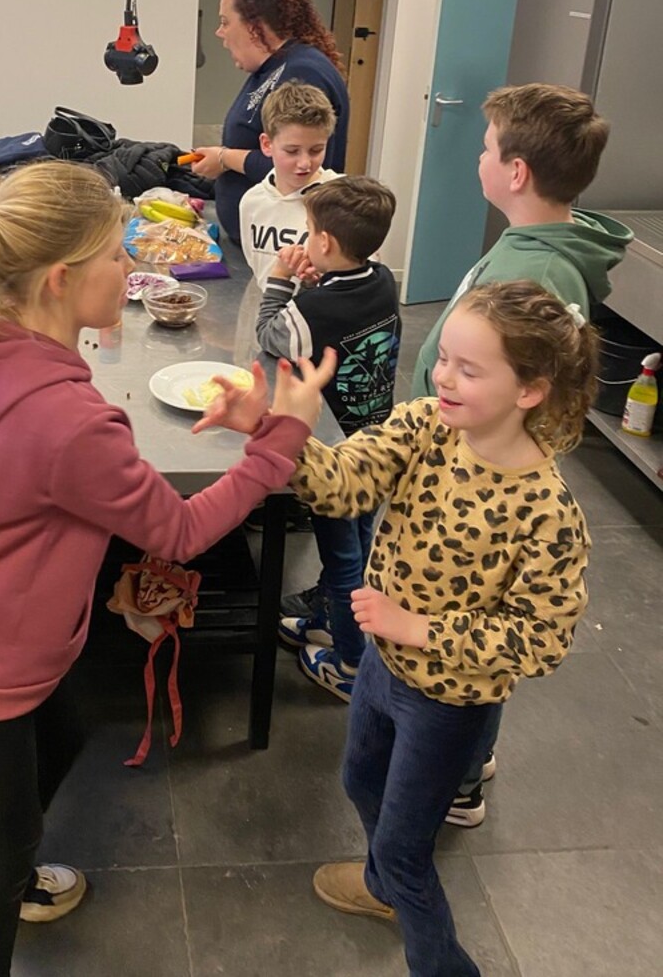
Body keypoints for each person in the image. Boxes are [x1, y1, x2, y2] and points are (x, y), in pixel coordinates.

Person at [0, 160, 332, 977]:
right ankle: (1, 886)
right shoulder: (68, 420)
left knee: (63, 735)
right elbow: (178, 530)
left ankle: (8, 869)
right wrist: (278, 439)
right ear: (59, 280)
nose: (129, 265)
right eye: (113, 253)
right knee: (5, 840)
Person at [205, 280, 598, 977]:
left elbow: (542, 638)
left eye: (468, 369)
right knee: (360, 779)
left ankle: (435, 949)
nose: (442, 376)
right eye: (443, 357)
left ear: (530, 390)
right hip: (383, 667)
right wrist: (267, 426)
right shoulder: (426, 426)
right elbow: (345, 482)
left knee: (405, 852)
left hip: (449, 700)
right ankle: (382, 885)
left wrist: (418, 627)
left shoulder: (547, 511)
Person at [412, 82, 631, 826]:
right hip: (458, 459)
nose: (477, 158)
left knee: (472, 622)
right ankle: (469, 757)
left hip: (478, 485)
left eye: (485, 147)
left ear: (516, 171)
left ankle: (460, 780)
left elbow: (545, 403)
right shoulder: (530, 244)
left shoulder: (542, 272)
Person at [254, 176, 401, 699]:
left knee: (341, 559)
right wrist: (315, 284)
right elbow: (343, 308)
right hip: (378, 442)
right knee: (359, 542)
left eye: (309, 229)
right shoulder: (383, 279)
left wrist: (281, 279)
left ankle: (351, 662)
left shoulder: (314, 311)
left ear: (325, 242)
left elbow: (270, 333)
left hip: (334, 456)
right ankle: (327, 617)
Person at [192, 0, 349, 244]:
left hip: (285, 245)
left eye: (225, 22)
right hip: (257, 238)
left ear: (254, 26)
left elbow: (300, 165)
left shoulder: (303, 73)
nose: (220, 33)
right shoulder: (273, 68)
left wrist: (224, 158)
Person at [238, 79, 338, 289]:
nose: (304, 163)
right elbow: (258, 270)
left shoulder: (343, 200)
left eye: (316, 150)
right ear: (267, 144)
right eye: (292, 151)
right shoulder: (252, 202)